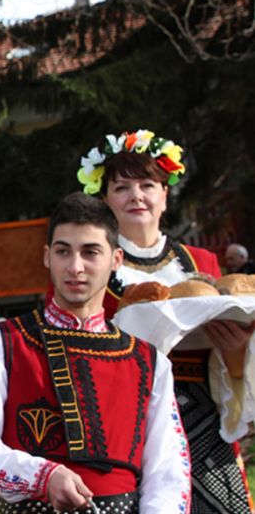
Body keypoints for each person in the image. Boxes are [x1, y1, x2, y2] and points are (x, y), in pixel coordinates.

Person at [0, 193, 190, 513]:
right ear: (47, 256)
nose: (75, 267)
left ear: (116, 259)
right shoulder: (2, 342)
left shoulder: (149, 361)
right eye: (64, 251)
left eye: (90, 252)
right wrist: (41, 476)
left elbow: (167, 470)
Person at [77, 130, 255, 513]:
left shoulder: (202, 262)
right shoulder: (85, 264)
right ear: (104, 199)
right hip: (126, 419)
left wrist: (238, 352)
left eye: (147, 185)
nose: (136, 195)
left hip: (205, 417)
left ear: (165, 195)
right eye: (121, 187)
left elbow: (233, 351)